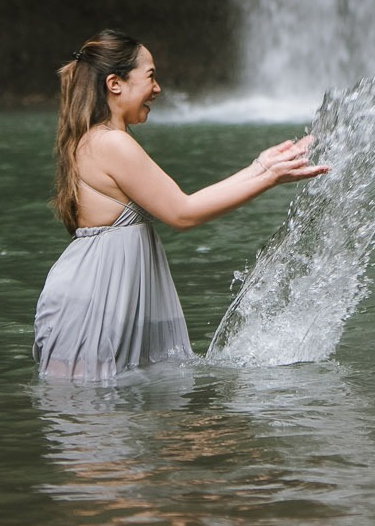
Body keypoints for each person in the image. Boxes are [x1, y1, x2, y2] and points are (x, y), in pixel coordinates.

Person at [35, 29, 326, 381]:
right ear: (115, 84)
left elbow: (182, 203)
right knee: (96, 422)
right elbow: (182, 213)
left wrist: (261, 168)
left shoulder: (101, 140)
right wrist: (268, 177)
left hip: (100, 294)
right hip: (96, 299)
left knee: (116, 420)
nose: (157, 89)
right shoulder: (111, 143)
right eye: (151, 77)